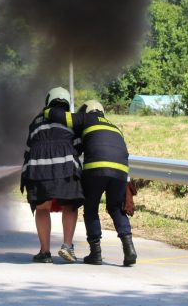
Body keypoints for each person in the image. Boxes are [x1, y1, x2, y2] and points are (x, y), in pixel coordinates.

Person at [44, 99, 137, 266]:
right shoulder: (114, 127)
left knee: (91, 208)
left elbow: (62, 117)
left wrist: (45, 112)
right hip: (121, 171)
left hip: (96, 169)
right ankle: (129, 250)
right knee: (116, 208)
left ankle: (96, 253)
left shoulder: (87, 119)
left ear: (86, 111)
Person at [20, 87, 84, 263]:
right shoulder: (70, 120)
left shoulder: (36, 121)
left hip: (39, 169)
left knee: (42, 208)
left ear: (48, 101)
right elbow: (78, 147)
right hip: (66, 168)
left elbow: (28, 149)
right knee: (70, 206)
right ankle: (67, 246)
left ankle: (45, 252)